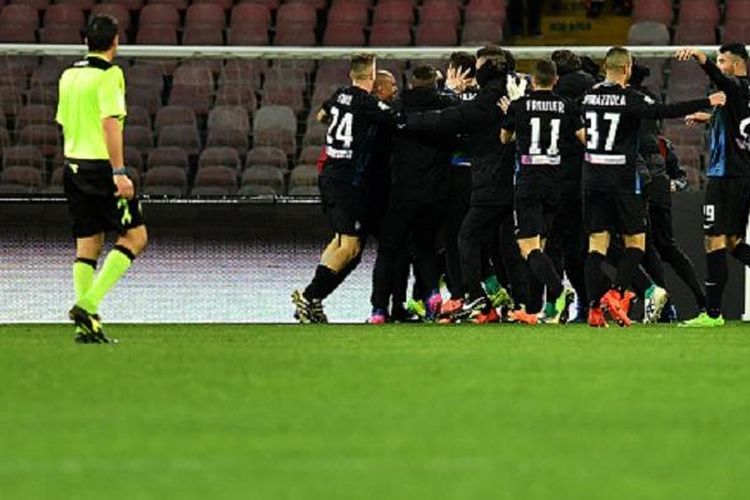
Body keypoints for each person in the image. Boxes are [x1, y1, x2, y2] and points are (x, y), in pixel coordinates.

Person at [581, 47, 723, 328]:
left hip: (592, 180)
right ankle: (616, 293)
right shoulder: (629, 98)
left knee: (597, 246)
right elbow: (664, 111)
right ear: (626, 69)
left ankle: (593, 309)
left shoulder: (588, 96)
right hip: (623, 180)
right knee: (637, 243)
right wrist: (707, 99)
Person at [404, 45, 530, 324]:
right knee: (507, 245)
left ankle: (471, 297)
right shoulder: (520, 88)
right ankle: (519, 302)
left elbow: (455, 118)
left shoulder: (484, 98)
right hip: (515, 179)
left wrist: (443, 96)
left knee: (463, 238)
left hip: (483, 179)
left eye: (481, 64)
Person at [57, 14, 147, 343]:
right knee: (136, 238)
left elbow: (64, 122)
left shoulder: (68, 75)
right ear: (115, 41)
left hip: (73, 165)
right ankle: (88, 304)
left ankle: (87, 325)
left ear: (85, 42)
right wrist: (119, 171)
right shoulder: (111, 75)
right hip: (100, 169)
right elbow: (110, 122)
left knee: (88, 243)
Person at [292, 53, 399, 323]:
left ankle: (314, 300)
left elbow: (320, 115)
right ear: (371, 77)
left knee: (342, 242)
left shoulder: (339, 94)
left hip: (329, 176)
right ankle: (308, 296)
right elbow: (396, 117)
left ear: (352, 75)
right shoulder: (368, 104)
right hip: (347, 183)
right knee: (350, 247)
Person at [368, 65, 457, 323]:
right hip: (437, 192)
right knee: (425, 247)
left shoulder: (398, 107)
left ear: (412, 83)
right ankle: (432, 298)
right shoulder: (448, 106)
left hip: (404, 192)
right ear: (434, 83)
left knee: (388, 250)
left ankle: (378, 311)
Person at [501, 59, 586, 323]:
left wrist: (512, 113)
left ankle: (560, 291)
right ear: (555, 80)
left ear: (532, 81)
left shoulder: (519, 105)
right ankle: (533, 309)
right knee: (542, 247)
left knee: (528, 248)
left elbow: (504, 138)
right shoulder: (567, 106)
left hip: (529, 180)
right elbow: (585, 139)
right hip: (556, 182)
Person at [676, 44, 750, 327]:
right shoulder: (745, 92)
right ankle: (713, 313)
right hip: (742, 174)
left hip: (725, 174)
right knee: (733, 243)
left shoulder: (732, 87)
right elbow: (737, 122)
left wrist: (700, 58)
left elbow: (721, 83)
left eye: (722, 61)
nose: (719, 66)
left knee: (714, 241)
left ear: (737, 63)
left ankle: (713, 314)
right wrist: (708, 117)